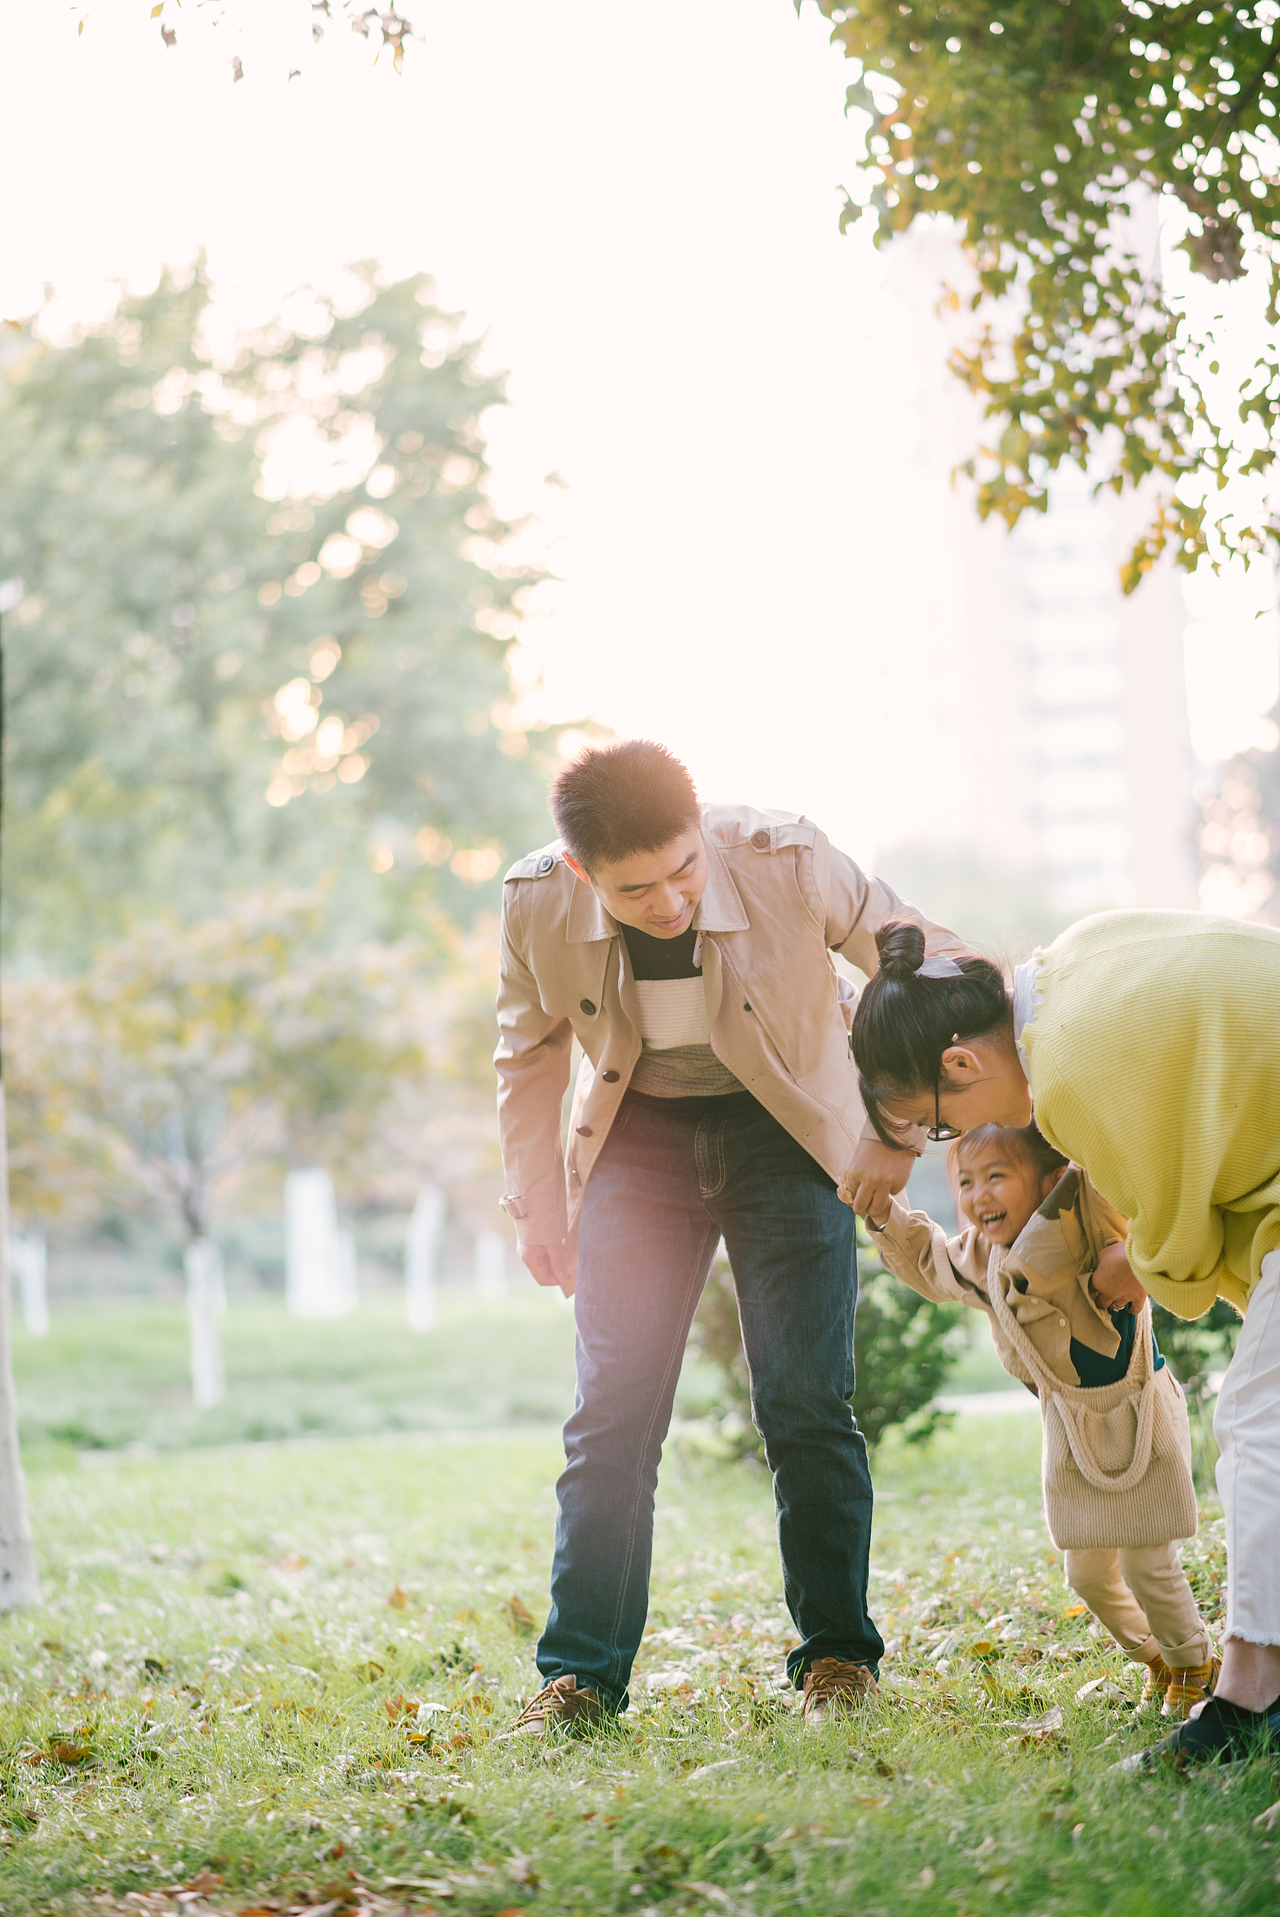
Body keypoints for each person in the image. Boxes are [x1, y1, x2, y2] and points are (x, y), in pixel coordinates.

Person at [493, 739, 964, 1734]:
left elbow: (920, 963)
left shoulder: (787, 860)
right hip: (637, 1144)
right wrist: (538, 1205)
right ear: (582, 873)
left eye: (681, 871)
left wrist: (896, 1132)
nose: (666, 903)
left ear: (699, 829)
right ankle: (579, 1678)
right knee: (610, 1414)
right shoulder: (535, 899)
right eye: (633, 891)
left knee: (802, 1400)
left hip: (787, 1133)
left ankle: (837, 1658)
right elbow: (526, 1053)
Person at [849, 912, 1280, 1768]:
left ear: (961, 1064)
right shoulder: (1077, 959)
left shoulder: (1073, 1075)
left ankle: (1250, 1693)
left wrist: (1132, 1268)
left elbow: (1172, 1227)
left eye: (936, 1124)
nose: (951, 1149)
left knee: (1257, 1427)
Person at [865, 1121, 1216, 1718]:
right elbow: (929, 1260)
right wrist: (881, 1213)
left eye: (997, 1176)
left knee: (1146, 1561)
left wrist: (1131, 1256)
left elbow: (1119, 1168)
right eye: (967, 1181)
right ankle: (1156, 1655)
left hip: (1138, 1412)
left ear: (1048, 1179)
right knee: (1087, 1574)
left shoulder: (1086, 1211)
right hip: (1071, 1430)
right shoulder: (984, 1254)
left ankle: (1194, 1663)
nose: (980, 1197)